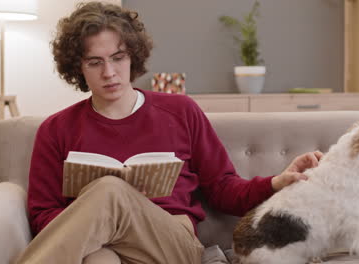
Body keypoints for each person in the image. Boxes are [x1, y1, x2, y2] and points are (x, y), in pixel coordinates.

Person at [17, 2, 323, 264]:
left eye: (118, 58)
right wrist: (95, 221)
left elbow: (223, 189)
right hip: (97, 245)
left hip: (171, 245)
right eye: (95, 62)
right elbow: (42, 215)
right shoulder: (56, 129)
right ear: (78, 68)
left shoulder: (180, 111)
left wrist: (275, 182)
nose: (109, 73)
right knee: (98, 258)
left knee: (109, 190)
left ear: (133, 57)